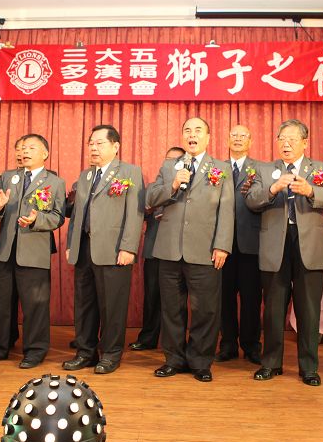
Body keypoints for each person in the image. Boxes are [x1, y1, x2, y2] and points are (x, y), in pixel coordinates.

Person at [246, 120, 323, 386]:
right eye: (281, 139)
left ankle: (309, 367)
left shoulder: (320, 169)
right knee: (273, 309)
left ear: (305, 142)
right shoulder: (265, 170)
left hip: (308, 244)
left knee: (309, 310)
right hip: (275, 246)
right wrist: (273, 189)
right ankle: (270, 363)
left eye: (291, 139)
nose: (286, 144)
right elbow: (251, 200)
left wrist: (311, 191)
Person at [147, 117, 234, 382]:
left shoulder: (221, 168)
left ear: (208, 137)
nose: (191, 134)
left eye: (197, 130)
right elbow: (150, 198)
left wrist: (222, 245)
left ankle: (200, 361)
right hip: (169, 249)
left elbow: (226, 210)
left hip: (205, 249)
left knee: (206, 310)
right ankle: (173, 359)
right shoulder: (169, 166)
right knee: (171, 309)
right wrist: (173, 184)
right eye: (187, 130)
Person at [0, 134, 65, 368]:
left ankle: (35, 350)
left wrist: (37, 220)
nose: (24, 151)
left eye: (31, 148)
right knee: (1, 302)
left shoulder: (55, 182)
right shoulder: (8, 177)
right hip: (6, 250)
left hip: (34, 252)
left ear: (45, 153)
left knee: (35, 305)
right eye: (22, 148)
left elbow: (58, 217)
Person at [63, 125, 144, 374]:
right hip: (84, 248)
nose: (93, 148)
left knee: (112, 306)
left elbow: (135, 213)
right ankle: (85, 353)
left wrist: (128, 247)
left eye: (99, 143)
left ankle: (110, 354)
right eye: (91, 143)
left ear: (115, 146)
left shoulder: (130, 172)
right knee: (84, 304)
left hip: (114, 249)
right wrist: (71, 244)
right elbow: (77, 214)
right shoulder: (85, 175)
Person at [129, 146, 185, 352]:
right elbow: (141, 211)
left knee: (178, 300)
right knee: (152, 296)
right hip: (154, 247)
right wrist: (151, 209)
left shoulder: (188, 185)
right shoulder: (153, 186)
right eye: (168, 159)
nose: (171, 163)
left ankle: (176, 343)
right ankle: (148, 338)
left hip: (178, 249)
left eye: (176, 160)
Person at [216, 125, 263, 365]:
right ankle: (228, 344)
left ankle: (251, 345)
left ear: (250, 141)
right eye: (233, 135)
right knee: (223, 298)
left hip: (251, 243)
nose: (237, 139)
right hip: (221, 244)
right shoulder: (217, 168)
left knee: (251, 298)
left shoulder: (260, 169)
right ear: (227, 139)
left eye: (243, 135)